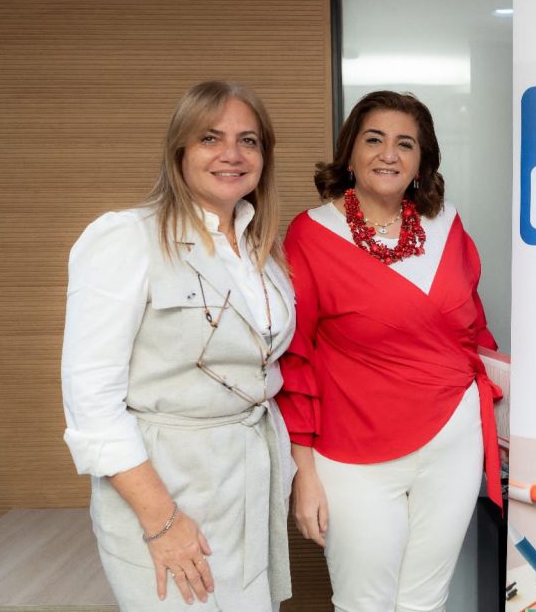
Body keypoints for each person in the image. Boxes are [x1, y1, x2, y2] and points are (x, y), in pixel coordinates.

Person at [61, 81, 295, 610]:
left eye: (248, 140)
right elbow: (91, 400)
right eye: (210, 138)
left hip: (250, 483)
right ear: (179, 151)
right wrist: (161, 520)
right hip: (164, 486)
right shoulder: (127, 237)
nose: (232, 154)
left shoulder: (262, 250)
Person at [276, 90, 503, 612]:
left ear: (422, 161)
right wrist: (302, 472)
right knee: (364, 602)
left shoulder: (447, 224)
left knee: (426, 601)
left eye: (406, 144)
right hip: (353, 450)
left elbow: (473, 327)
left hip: (454, 440)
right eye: (373, 139)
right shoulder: (312, 233)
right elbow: (295, 358)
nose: (388, 155)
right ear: (350, 153)